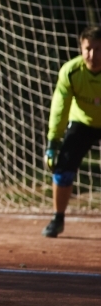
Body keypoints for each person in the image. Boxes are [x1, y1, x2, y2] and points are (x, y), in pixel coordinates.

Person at [42, 25, 101, 238]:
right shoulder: (71, 72)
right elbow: (59, 108)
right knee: (63, 168)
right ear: (80, 48)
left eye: (98, 49)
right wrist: (53, 143)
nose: (93, 55)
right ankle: (58, 218)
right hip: (82, 121)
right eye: (88, 49)